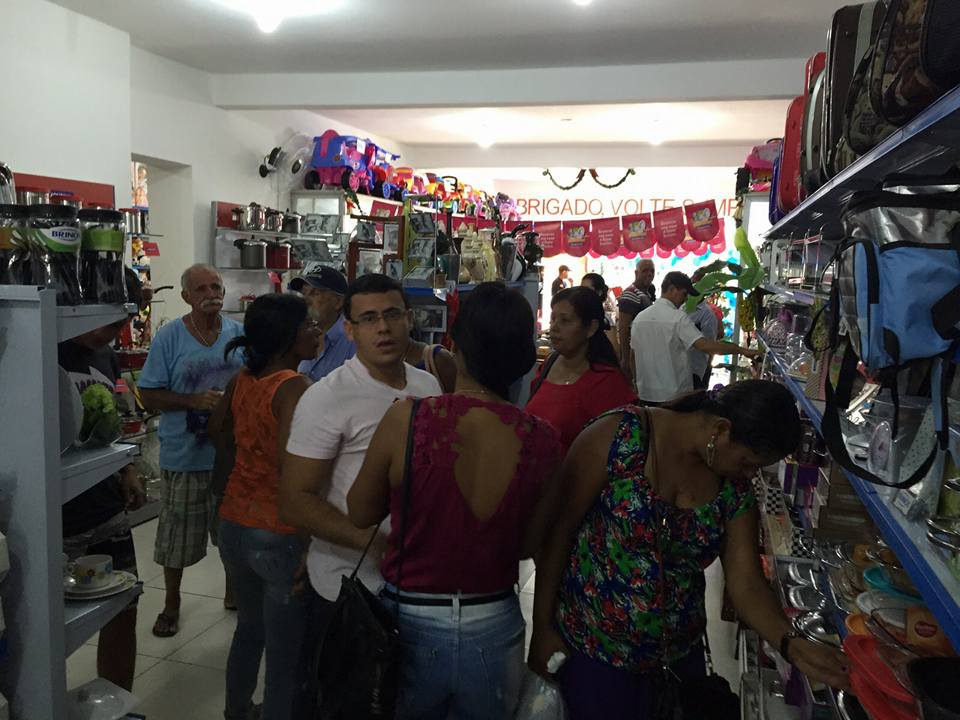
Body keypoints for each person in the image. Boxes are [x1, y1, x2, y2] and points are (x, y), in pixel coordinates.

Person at [529, 381, 850, 718]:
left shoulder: (733, 489)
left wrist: (790, 643)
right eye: (747, 462)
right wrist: (541, 624)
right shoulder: (618, 438)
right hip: (596, 653)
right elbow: (558, 533)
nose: (750, 474)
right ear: (721, 430)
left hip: (678, 662)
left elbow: (746, 583)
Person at [346, 282, 562, 719]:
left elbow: (360, 511)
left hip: (409, 619)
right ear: (523, 358)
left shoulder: (408, 418)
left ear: (455, 346)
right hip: (495, 618)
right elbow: (528, 546)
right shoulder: (543, 439)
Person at [280, 273, 441, 649]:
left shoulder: (428, 386)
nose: (383, 327)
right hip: (349, 587)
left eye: (392, 314)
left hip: (419, 583)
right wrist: (377, 543)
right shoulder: (326, 397)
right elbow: (294, 501)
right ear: (349, 330)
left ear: (409, 319)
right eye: (368, 319)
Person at [207, 294, 320, 720]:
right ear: (287, 336)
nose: (317, 331)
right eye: (309, 324)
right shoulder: (294, 387)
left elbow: (218, 429)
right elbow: (295, 469)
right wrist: (309, 543)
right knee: (285, 655)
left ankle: (236, 712)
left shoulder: (243, 379)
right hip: (278, 530)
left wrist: (248, 460)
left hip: (234, 520)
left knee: (249, 631)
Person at [138, 263, 244, 637]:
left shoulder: (238, 335)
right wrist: (193, 401)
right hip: (184, 457)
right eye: (201, 289)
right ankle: (171, 604)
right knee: (176, 539)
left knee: (231, 536)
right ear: (186, 296)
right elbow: (148, 394)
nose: (211, 294)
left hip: (230, 458)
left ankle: (234, 593)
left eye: (216, 286)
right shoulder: (169, 338)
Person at [60, 292, 146, 691]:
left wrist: (126, 469)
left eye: (117, 325)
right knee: (51, 625)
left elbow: (109, 425)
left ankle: (118, 701)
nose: (108, 333)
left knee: (123, 605)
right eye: (105, 323)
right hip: (59, 512)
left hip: (106, 505)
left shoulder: (107, 358)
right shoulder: (44, 350)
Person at [526, 287, 636, 455]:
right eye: (553, 319)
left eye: (565, 320)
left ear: (591, 327)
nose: (554, 327)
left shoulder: (607, 383)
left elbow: (622, 450)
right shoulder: (549, 364)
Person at [631, 271, 758, 406]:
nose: (686, 299)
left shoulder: (640, 318)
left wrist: (635, 383)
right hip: (674, 397)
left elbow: (633, 355)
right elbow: (705, 345)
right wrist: (741, 350)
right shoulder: (677, 318)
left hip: (646, 395)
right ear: (672, 289)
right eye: (684, 294)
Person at [288, 264, 356, 382]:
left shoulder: (353, 341)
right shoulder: (300, 336)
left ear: (338, 302)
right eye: (304, 293)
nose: (306, 300)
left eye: (315, 294)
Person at [617, 259, 657, 380]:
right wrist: (626, 359)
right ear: (636, 273)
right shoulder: (630, 293)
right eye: (645, 271)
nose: (649, 274)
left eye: (652, 271)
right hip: (634, 355)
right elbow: (623, 328)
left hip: (644, 353)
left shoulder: (645, 294)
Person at [687, 273, 721, 390]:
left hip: (696, 369)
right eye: (693, 283)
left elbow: (710, 345)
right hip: (679, 368)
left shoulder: (707, 314)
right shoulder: (682, 307)